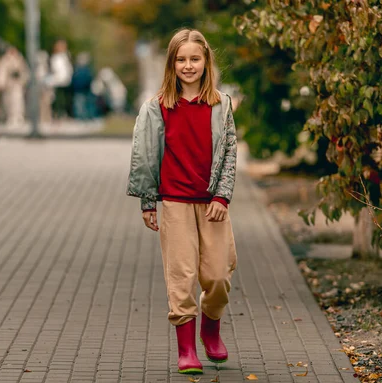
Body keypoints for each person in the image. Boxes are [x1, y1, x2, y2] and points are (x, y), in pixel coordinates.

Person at [126, 29, 238, 375]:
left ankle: (210, 327)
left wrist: (222, 195)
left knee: (218, 275)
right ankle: (186, 349)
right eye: (181, 59)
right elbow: (144, 155)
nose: (188, 66)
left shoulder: (221, 104)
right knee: (182, 275)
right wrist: (148, 201)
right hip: (174, 202)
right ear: (171, 64)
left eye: (195, 59)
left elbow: (230, 151)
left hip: (212, 204)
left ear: (206, 62)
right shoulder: (157, 107)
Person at [0, 47, 29, 126]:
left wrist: (23, 81)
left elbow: (24, 72)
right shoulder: (5, 60)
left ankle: (19, 117)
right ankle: (10, 117)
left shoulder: (20, 59)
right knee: (8, 102)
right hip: (8, 85)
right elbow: (1, 72)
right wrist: (0, 83)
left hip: (17, 84)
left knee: (18, 101)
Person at [44, 39, 73, 120]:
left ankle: (62, 113)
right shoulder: (56, 57)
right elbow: (55, 69)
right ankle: (58, 114)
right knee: (58, 98)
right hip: (58, 80)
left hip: (65, 80)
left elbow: (68, 69)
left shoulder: (65, 56)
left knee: (64, 98)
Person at [71, 52, 93, 120]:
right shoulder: (79, 69)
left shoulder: (83, 69)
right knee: (80, 104)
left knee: (82, 104)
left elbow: (89, 79)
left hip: (83, 90)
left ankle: (83, 117)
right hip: (80, 90)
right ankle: (81, 117)